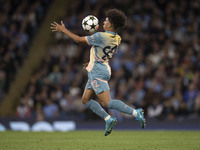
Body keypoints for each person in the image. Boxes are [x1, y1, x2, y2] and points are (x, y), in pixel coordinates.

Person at [51, 8, 146, 136]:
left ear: (111, 24)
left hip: (98, 71)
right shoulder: (117, 38)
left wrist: (64, 30)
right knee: (85, 100)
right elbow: (102, 53)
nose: (104, 21)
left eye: (106, 20)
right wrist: (91, 62)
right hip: (99, 67)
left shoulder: (100, 36)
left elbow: (78, 40)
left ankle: (136, 113)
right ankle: (108, 119)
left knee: (107, 102)